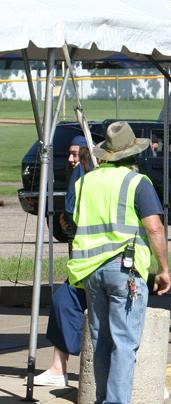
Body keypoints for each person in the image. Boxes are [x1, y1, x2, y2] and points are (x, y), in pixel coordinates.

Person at [67, 121, 171, 404]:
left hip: (90, 270)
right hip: (124, 269)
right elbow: (154, 227)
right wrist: (163, 269)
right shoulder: (138, 183)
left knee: (100, 340)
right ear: (133, 154)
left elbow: (73, 220)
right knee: (124, 342)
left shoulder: (85, 183)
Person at [31, 136, 93, 387]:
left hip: (90, 261)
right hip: (91, 260)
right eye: (70, 153)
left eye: (75, 153)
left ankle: (59, 367)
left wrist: (66, 222)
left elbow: (71, 209)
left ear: (86, 154)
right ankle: (59, 367)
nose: (70, 159)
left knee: (66, 303)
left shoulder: (81, 174)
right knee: (66, 303)